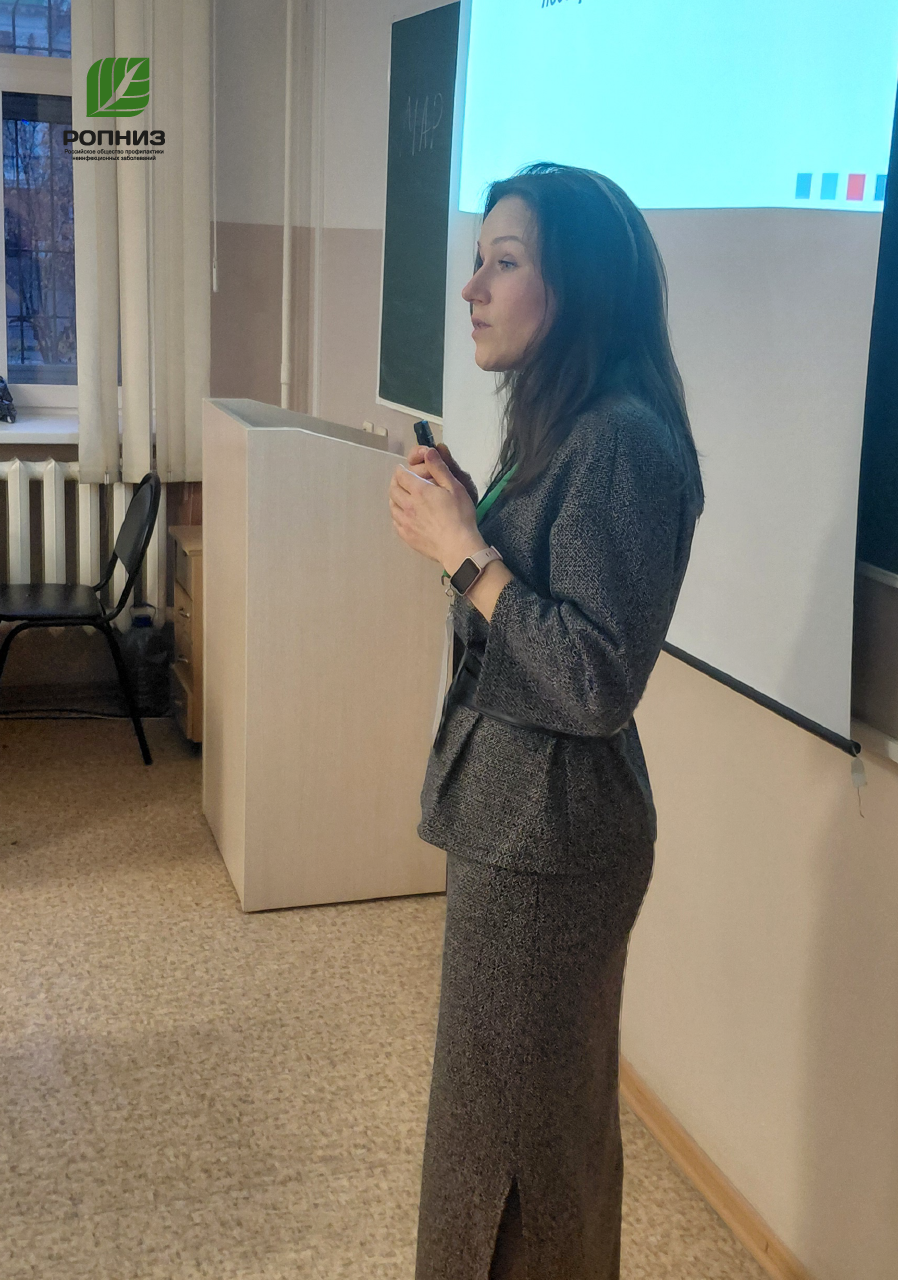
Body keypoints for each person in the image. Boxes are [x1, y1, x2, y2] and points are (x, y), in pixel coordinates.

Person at [387, 162, 704, 1280]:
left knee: (518, 1153)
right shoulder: (563, 426)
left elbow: (594, 678)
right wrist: (469, 513)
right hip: (521, 823)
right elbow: (542, 602)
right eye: (478, 259)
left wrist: (466, 551)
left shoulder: (622, 440)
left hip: (552, 838)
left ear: (579, 288)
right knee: (511, 1128)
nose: (471, 287)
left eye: (505, 262)